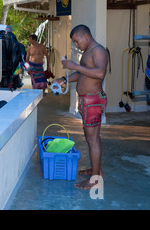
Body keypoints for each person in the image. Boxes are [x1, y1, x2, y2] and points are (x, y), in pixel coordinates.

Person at [54, 24, 108, 190]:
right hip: (87, 101)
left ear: (85, 36)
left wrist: (74, 66)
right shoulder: (88, 52)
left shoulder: (99, 51)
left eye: (77, 41)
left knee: (92, 139)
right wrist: (64, 78)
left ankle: (95, 180)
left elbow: (100, 73)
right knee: (91, 138)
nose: (76, 45)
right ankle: (96, 171)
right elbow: (83, 73)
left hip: (93, 101)